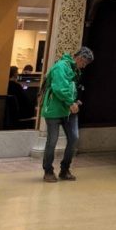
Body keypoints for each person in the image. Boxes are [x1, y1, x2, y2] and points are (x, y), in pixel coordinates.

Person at [40, 46, 94, 183]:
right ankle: (48, 170)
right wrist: (71, 102)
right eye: (84, 63)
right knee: (52, 140)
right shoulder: (60, 67)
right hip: (54, 109)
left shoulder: (76, 70)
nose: (84, 66)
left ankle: (65, 169)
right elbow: (59, 88)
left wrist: (76, 100)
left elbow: (73, 88)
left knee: (74, 138)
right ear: (79, 58)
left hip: (69, 111)